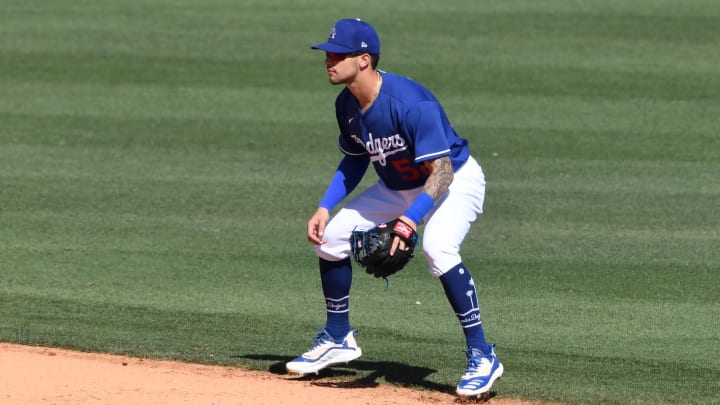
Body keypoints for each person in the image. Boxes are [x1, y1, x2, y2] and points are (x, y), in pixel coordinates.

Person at [285, 18, 503, 397]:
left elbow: (443, 171)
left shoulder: (410, 102)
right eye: (327, 54)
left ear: (364, 60)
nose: (328, 60)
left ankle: (483, 355)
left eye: (337, 54)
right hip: (398, 186)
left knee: (438, 248)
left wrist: (409, 220)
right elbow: (356, 159)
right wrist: (325, 206)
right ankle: (339, 337)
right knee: (330, 238)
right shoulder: (346, 105)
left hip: (455, 179)